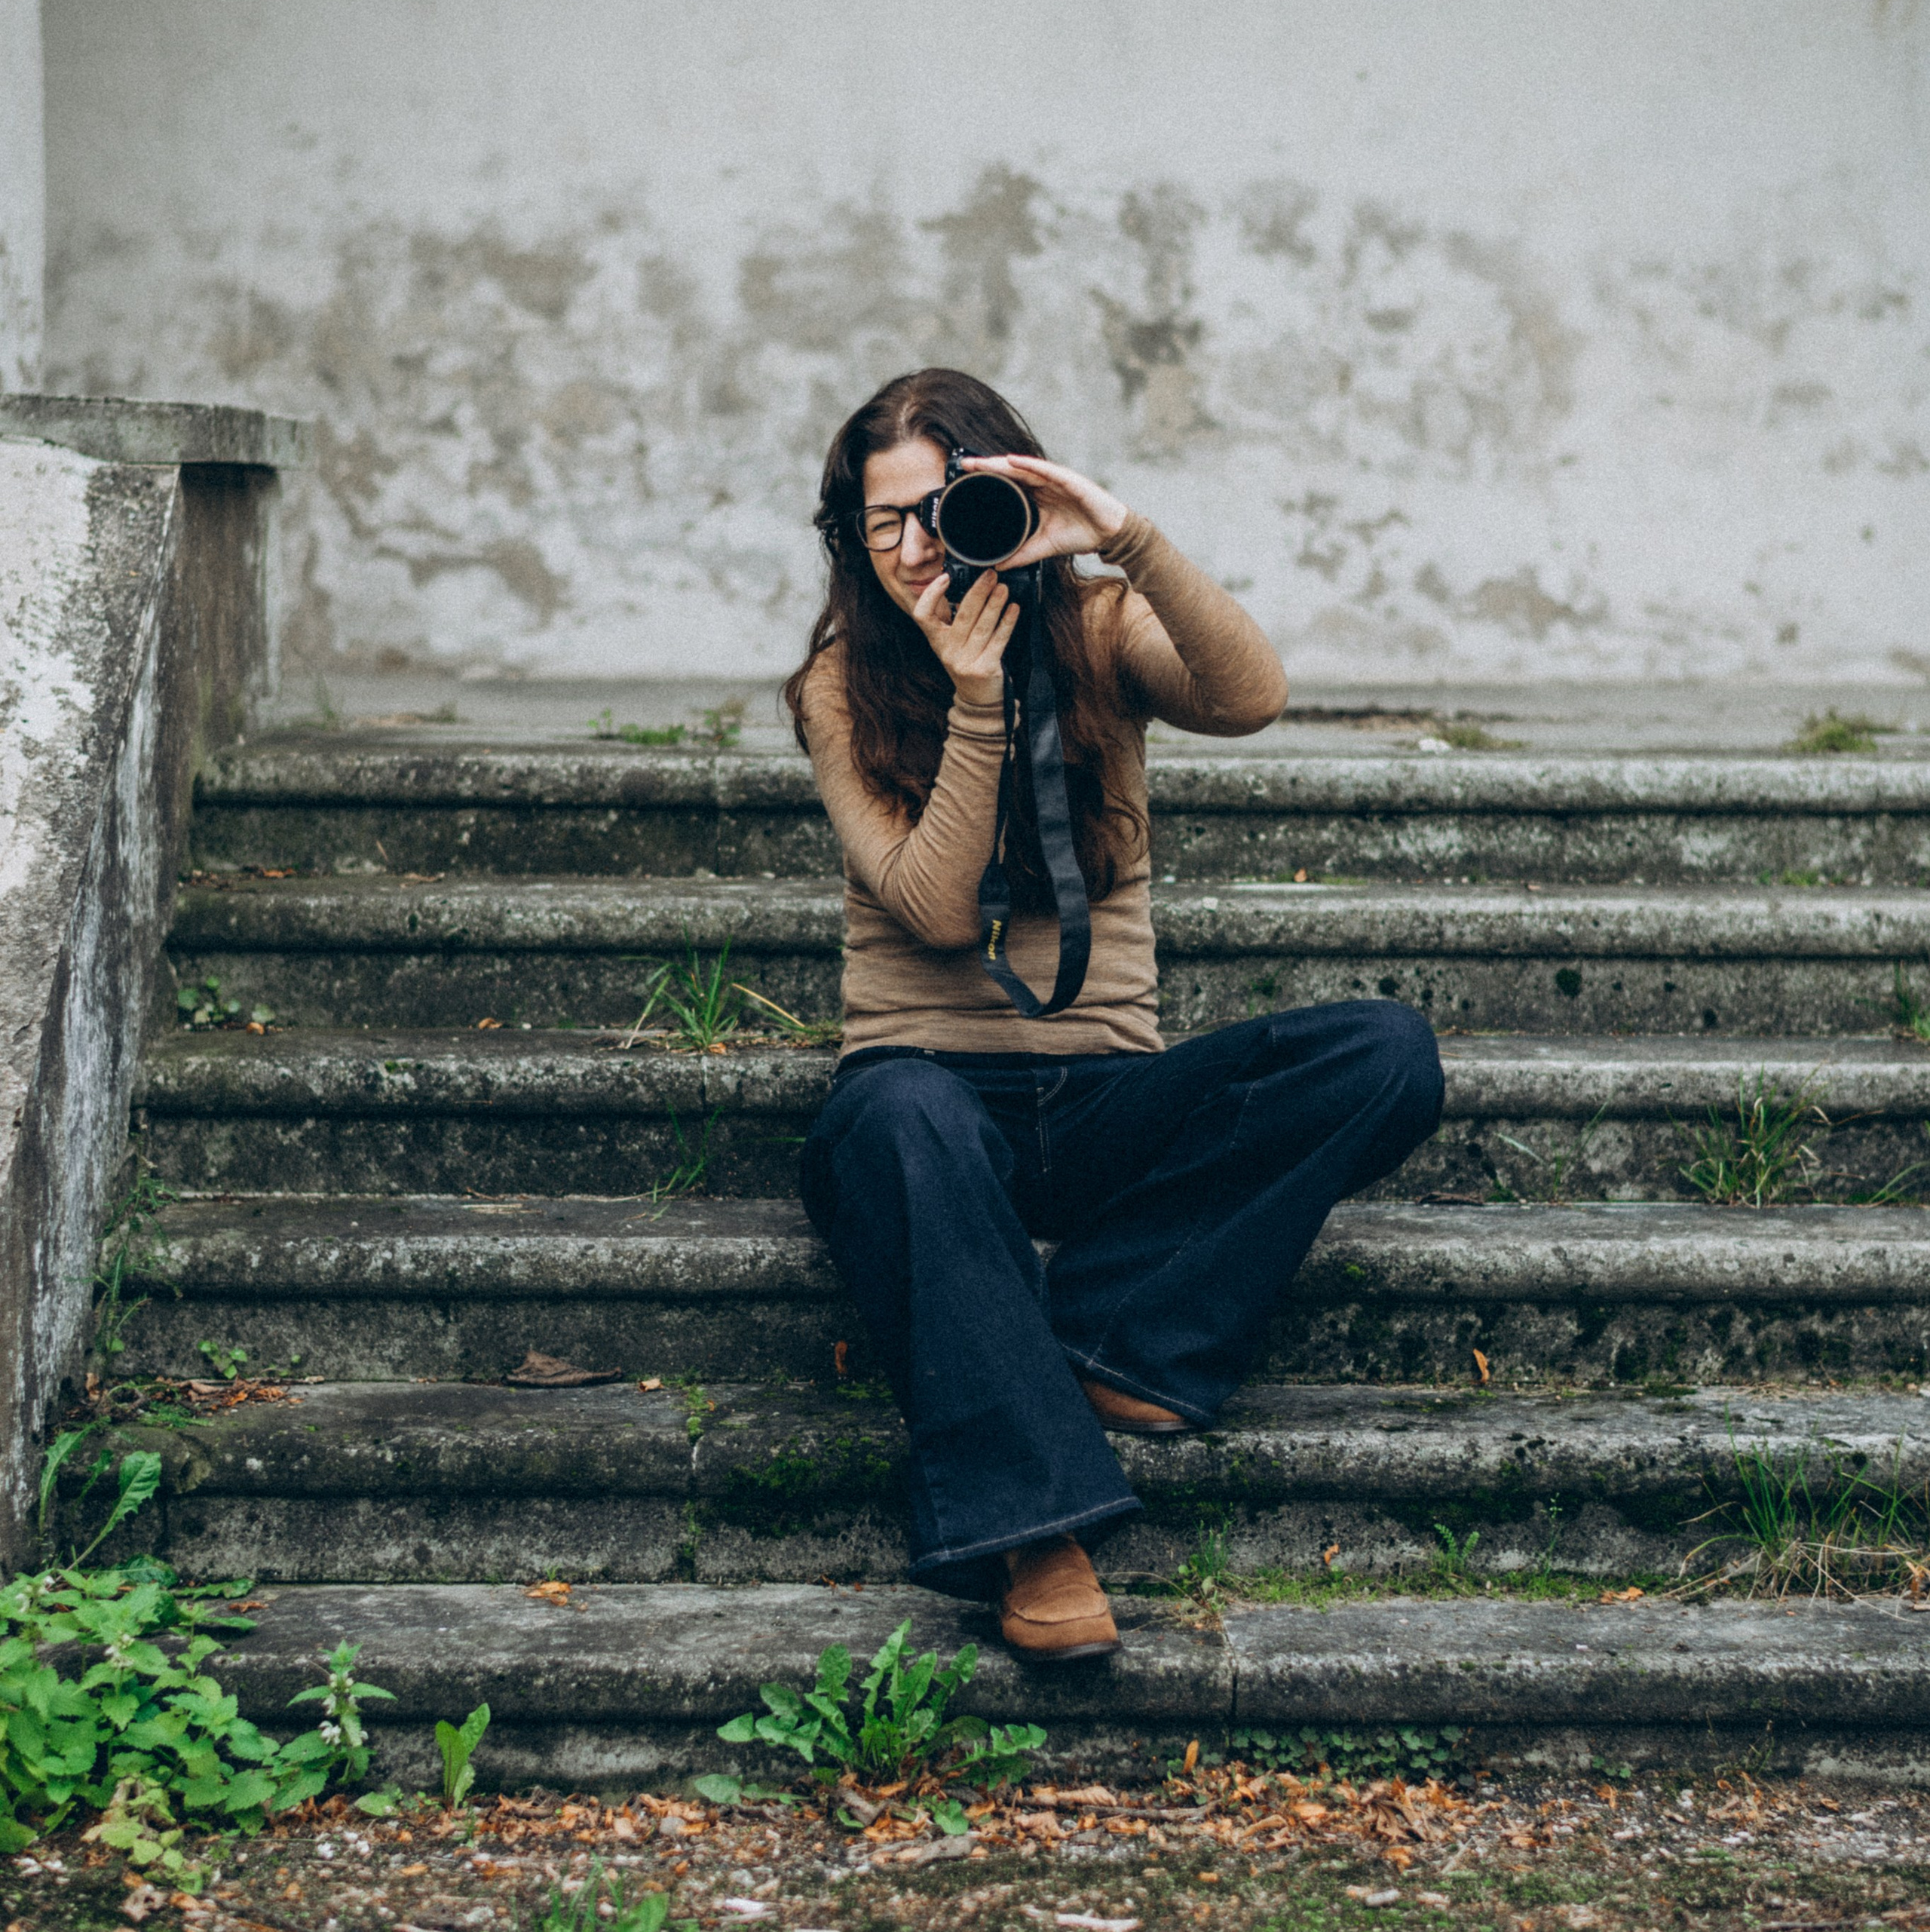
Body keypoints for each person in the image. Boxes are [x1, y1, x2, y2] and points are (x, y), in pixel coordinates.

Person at [783, 368, 1444, 1664]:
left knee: (1384, 1051)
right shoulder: (842, 681)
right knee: (899, 1111)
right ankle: (1041, 1531)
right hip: (924, 1108)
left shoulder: (1094, 627)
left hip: (1103, 1100)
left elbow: (1249, 696)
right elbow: (929, 907)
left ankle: (1112, 1340)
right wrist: (977, 702)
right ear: (851, 540)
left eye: (948, 506)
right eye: (886, 523)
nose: (922, 547)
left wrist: (1122, 534)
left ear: (1007, 495)